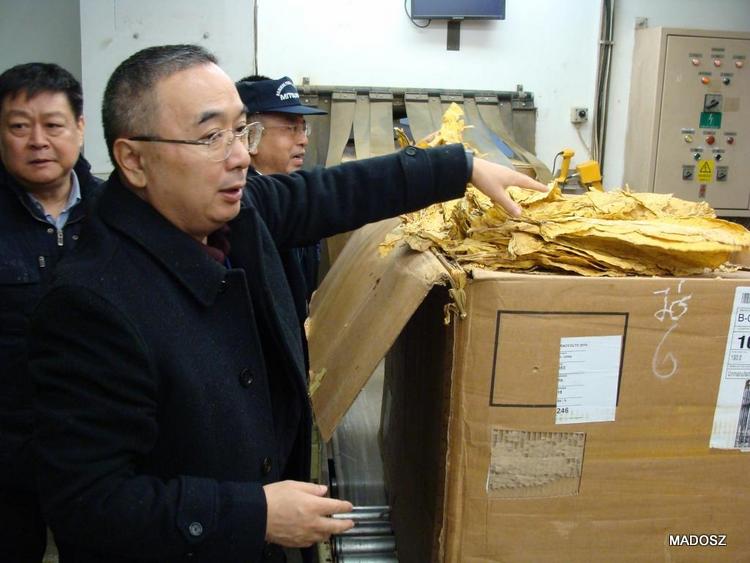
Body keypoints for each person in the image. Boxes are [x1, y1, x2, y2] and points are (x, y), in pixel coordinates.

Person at [28, 44, 547, 563]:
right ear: (134, 160)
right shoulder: (90, 304)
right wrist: (254, 514)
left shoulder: (234, 215)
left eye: (241, 131)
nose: (239, 156)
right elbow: (88, 505)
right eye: (210, 137)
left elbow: (329, 192)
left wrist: (459, 167)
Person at [0, 62, 102, 562]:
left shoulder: (117, 214)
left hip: (99, 445)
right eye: (20, 126)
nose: (37, 141)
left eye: (53, 125)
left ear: (79, 128)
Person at [236, 75, 326, 341]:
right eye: (290, 128)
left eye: (303, 128)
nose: (303, 140)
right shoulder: (237, 210)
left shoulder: (298, 200)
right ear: (250, 135)